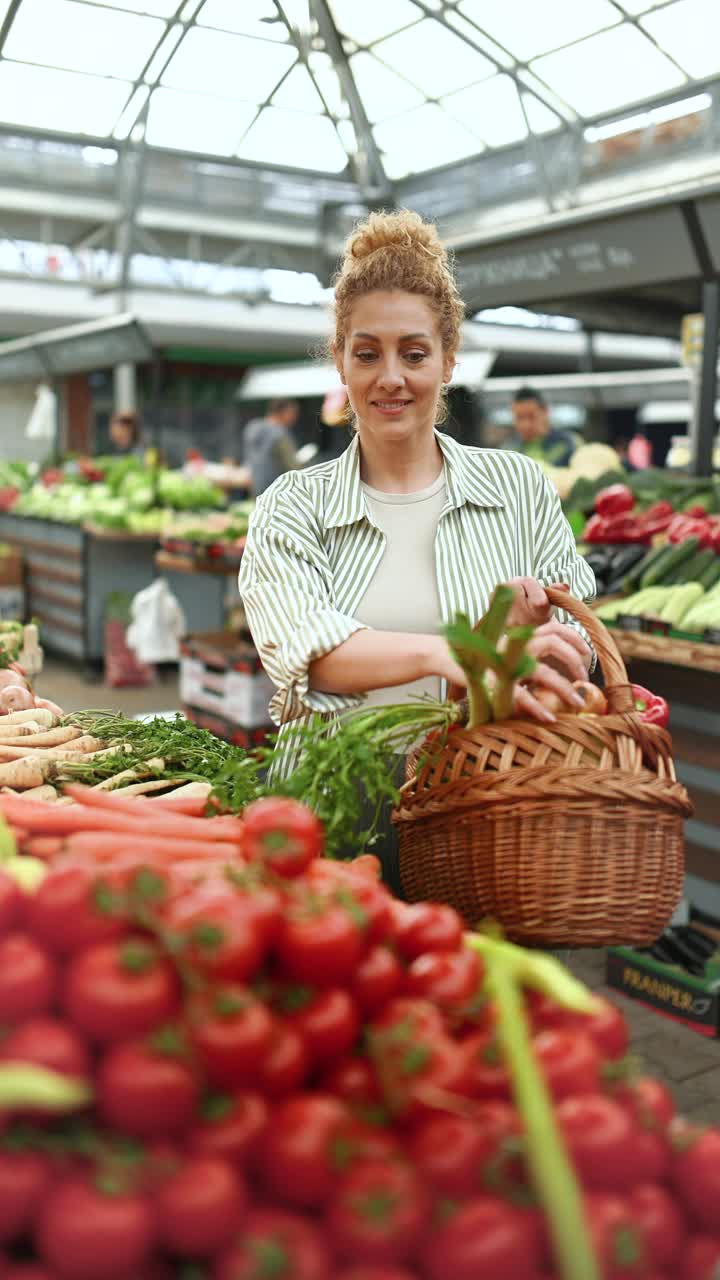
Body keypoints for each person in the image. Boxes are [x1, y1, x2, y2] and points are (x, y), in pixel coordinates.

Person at [239, 210, 595, 884]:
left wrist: (528, 636)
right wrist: (460, 652)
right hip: (326, 817)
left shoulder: (518, 488)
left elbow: (578, 641)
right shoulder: (292, 505)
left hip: (481, 810)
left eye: (414, 352)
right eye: (366, 352)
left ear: (448, 360)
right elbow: (307, 649)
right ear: (340, 361)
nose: (390, 377)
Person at [504, 386, 579, 467]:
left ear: (546, 411)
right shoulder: (509, 451)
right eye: (519, 417)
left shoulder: (568, 443)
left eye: (531, 416)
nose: (525, 425)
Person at [242, 398, 300, 495]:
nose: (295, 417)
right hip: (276, 492)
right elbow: (292, 466)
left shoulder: (252, 427)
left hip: (255, 487)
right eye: (293, 413)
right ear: (283, 412)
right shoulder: (279, 434)